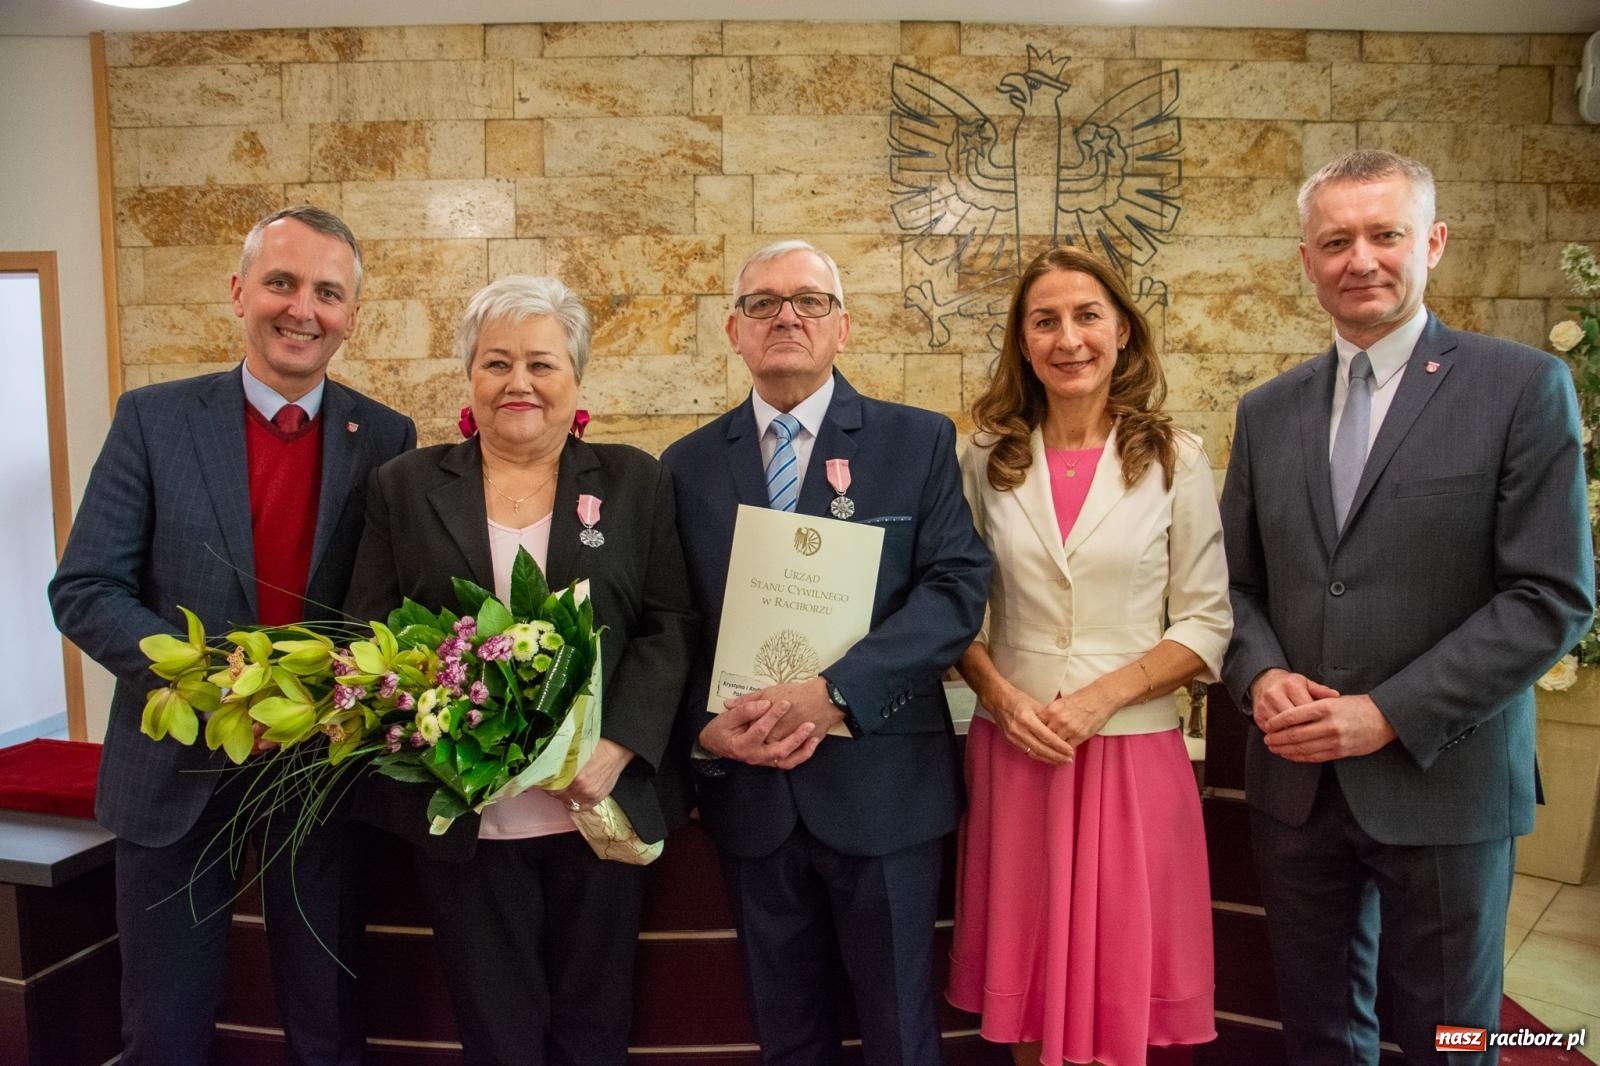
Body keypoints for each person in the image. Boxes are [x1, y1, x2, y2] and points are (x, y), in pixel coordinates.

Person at [1221, 149, 1595, 1063]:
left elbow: (1550, 596)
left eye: (1385, 235)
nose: (1362, 259)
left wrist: (1388, 713)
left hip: (1446, 781)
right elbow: (1231, 584)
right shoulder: (1268, 412)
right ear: (1306, 260)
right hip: (1297, 781)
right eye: (1336, 240)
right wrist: (1260, 672)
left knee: (1451, 1035)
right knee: (1314, 1025)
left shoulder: (1520, 388)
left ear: (1432, 243)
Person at [48, 204, 416, 1065]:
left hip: (318, 774)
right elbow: (86, 587)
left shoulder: (387, 437)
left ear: (352, 316)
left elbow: (386, 610)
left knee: (326, 1021)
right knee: (165, 1029)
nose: (302, 309)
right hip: (171, 771)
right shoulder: (153, 419)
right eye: (282, 282)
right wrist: (219, 685)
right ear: (239, 290)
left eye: (328, 293)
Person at [344, 274, 697, 1065]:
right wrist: (438, 741)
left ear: (575, 380)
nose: (520, 384)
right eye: (496, 363)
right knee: (496, 1033)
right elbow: (370, 634)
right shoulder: (404, 486)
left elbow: (669, 625)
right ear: (470, 376)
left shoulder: (635, 480)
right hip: (466, 811)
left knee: (594, 1026)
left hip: (599, 810)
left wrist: (620, 749)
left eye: (542, 363)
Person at [661, 239, 992, 1066]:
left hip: (883, 793)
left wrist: (837, 691)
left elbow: (955, 590)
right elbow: (671, 624)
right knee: (787, 1033)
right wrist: (703, 733)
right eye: (763, 303)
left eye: (809, 301)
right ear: (734, 332)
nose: (786, 317)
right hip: (753, 796)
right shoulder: (686, 467)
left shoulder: (915, 442)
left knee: (900, 1034)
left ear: (843, 327)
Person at [947, 246, 1231, 1066]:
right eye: (1045, 321)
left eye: (1086, 316)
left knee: (1119, 987)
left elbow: (1209, 621)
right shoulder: (983, 457)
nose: (1068, 338)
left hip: (1132, 752)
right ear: (1023, 342)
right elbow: (954, 611)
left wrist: (1100, 698)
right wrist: (1002, 699)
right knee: (1030, 987)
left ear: (1123, 332)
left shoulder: (1179, 455)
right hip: (1020, 747)